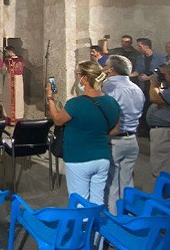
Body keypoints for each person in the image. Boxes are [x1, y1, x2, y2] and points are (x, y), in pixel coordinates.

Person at [46, 61, 120, 205]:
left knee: (79, 202)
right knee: (98, 200)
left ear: (85, 79)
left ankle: (83, 227)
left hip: (78, 158)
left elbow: (57, 120)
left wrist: (50, 98)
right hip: (102, 157)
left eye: (79, 75)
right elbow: (116, 130)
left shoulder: (76, 103)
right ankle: (95, 227)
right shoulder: (111, 102)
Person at [102, 55, 144, 215]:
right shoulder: (137, 89)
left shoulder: (108, 88)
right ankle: (128, 217)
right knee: (127, 182)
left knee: (112, 185)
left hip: (114, 140)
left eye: (105, 66)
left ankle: (115, 225)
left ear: (111, 69)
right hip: (132, 139)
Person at [132, 38, 166, 136]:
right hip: (143, 86)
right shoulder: (140, 58)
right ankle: (144, 130)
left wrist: (149, 77)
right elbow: (138, 70)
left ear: (146, 46)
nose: (138, 48)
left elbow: (162, 72)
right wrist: (127, 75)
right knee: (144, 107)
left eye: (140, 46)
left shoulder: (160, 58)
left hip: (155, 86)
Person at [1, 46, 25, 125]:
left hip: (9, 82)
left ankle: (9, 118)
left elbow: (3, 71)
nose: (5, 53)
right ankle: (18, 118)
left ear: (10, 51)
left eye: (6, 52)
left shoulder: (7, 61)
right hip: (19, 82)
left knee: (8, 99)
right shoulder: (21, 60)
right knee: (18, 99)